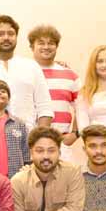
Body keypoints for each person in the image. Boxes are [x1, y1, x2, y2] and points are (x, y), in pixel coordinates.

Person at [28, 24, 81, 153]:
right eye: (41, 43)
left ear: (56, 46)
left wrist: (75, 134)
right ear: (32, 47)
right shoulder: (23, 74)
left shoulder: (70, 75)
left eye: (51, 43)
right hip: (28, 142)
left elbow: (83, 107)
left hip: (61, 144)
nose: (46, 47)